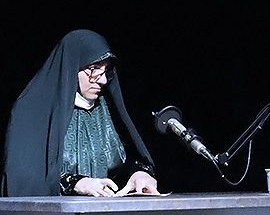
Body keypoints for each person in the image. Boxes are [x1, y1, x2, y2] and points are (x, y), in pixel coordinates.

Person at [2, 29, 159, 197]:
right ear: (71, 67)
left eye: (106, 70)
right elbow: (24, 178)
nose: (102, 80)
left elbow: (121, 162)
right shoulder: (32, 111)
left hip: (105, 210)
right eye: (93, 69)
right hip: (53, 212)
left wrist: (138, 174)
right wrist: (74, 183)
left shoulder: (106, 109)